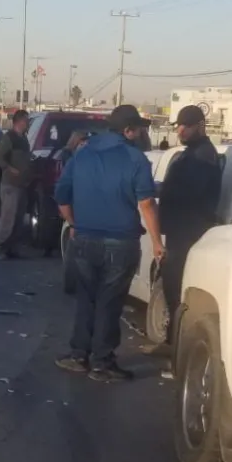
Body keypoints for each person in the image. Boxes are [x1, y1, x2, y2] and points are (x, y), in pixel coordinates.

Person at [54, 105, 164, 382]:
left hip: (85, 239)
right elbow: (147, 203)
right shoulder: (136, 159)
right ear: (128, 130)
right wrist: (156, 242)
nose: (140, 133)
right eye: (138, 128)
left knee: (86, 299)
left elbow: (61, 195)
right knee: (109, 302)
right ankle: (102, 362)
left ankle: (79, 355)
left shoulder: (82, 155)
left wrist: (75, 224)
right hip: (120, 242)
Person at [157, 104, 222, 366]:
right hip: (178, 232)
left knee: (180, 295)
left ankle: (178, 356)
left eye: (186, 126)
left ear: (200, 126)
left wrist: (166, 193)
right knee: (172, 291)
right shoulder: (189, 154)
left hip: (189, 234)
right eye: (178, 126)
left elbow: (190, 194)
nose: (180, 131)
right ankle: (171, 345)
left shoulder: (204, 156)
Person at [0, 109, 32, 259]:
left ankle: (12, 247)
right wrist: (10, 169)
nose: (28, 123)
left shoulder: (24, 140)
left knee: (19, 218)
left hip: (22, 185)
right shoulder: (9, 138)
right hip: (10, 185)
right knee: (8, 217)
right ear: (19, 121)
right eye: (26, 120)